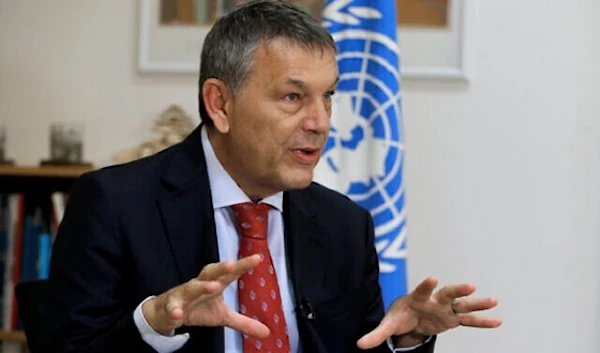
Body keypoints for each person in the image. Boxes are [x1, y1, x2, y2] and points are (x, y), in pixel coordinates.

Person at [37, 1, 501, 352]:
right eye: (293, 98)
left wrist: (405, 340)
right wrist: (155, 322)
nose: (320, 122)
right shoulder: (114, 204)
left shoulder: (345, 225)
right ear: (220, 104)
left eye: (328, 97)